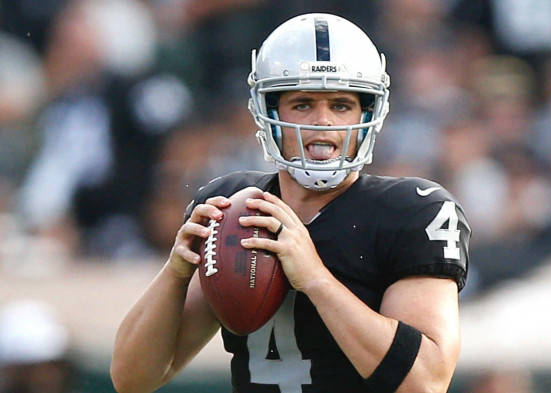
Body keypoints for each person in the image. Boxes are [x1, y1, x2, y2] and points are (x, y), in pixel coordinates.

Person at [111, 13, 470, 393]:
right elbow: (133, 379)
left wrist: (315, 279)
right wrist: (175, 274)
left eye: (341, 104)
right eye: (301, 104)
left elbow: (425, 381)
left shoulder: (412, 211)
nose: (323, 121)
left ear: (368, 112)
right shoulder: (235, 209)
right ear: (269, 113)